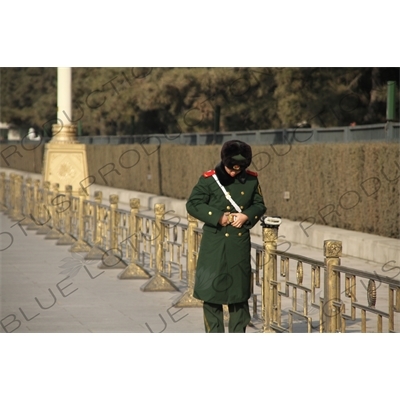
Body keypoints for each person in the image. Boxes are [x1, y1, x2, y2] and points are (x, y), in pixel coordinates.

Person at [186, 140, 266, 333]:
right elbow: (193, 204)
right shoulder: (209, 180)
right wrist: (218, 216)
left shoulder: (251, 180)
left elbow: (259, 204)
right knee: (211, 293)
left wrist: (246, 215)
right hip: (214, 242)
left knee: (238, 293)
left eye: (239, 169)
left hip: (238, 243)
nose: (234, 172)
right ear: (224, 162)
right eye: (231, 168)